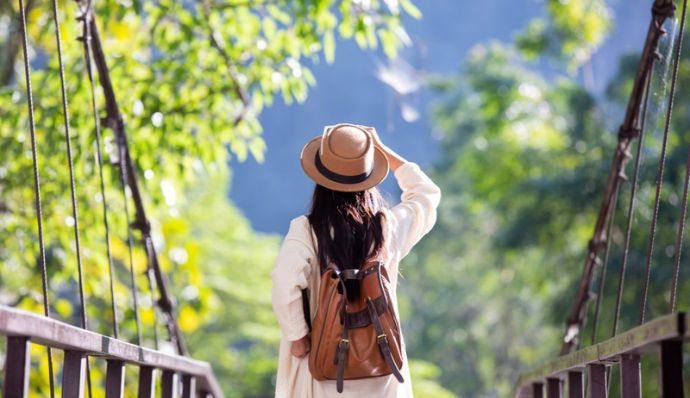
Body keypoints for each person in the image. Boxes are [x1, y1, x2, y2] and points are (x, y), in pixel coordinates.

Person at [271, 123, 441, 397]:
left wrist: (298, 337)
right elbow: (427, 195)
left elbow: (284, 281)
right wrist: (381, 150)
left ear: (320, 178)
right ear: (369, 175)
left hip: (323, 372)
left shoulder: (306, 230)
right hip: (382, 369)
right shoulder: (386, 227)